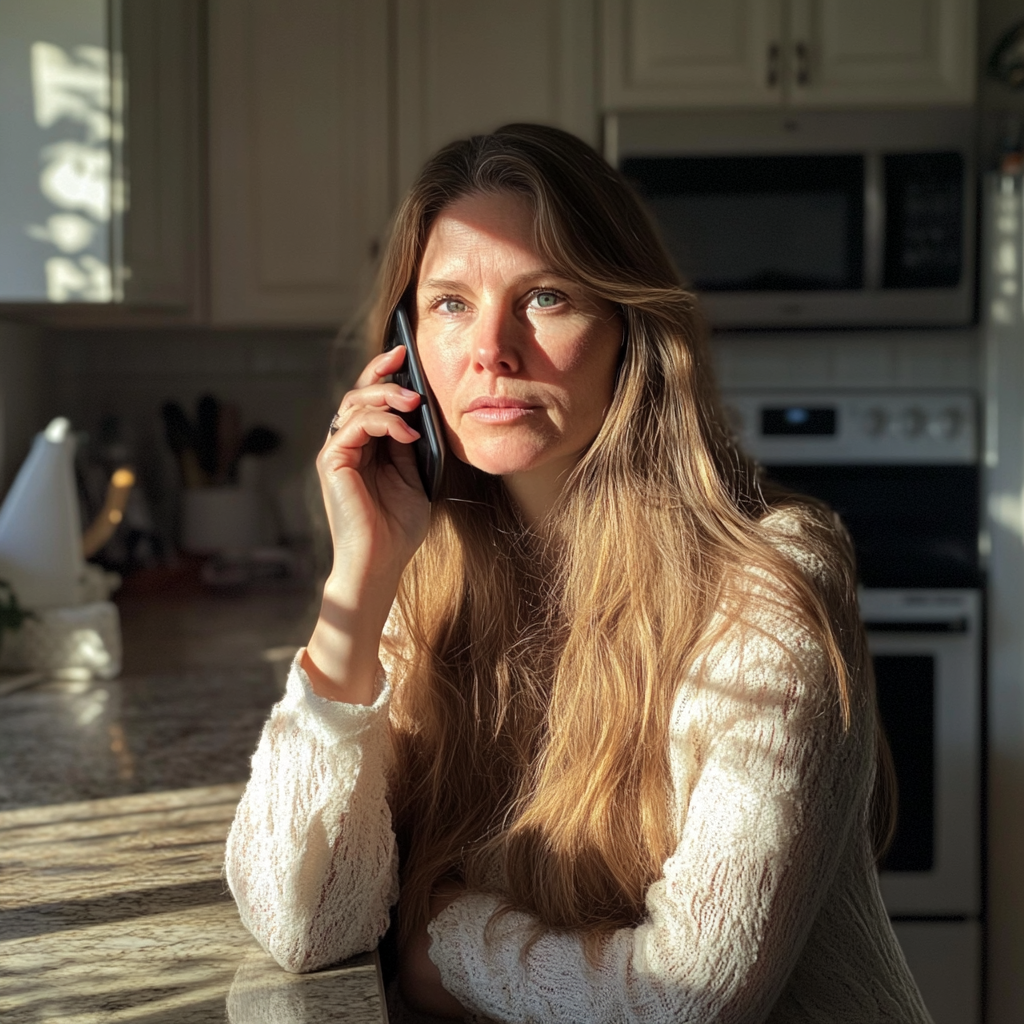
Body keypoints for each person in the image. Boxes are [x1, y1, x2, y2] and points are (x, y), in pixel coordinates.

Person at [225, 123, 930, 1023]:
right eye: (449, 304)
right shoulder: (423, 580)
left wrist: (445, 946)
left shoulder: (767, 584)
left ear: (628, 329)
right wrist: (359, 584)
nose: (490, 351)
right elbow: (306, 924)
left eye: (546, 296)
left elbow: (688, 1000)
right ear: (405, 343)